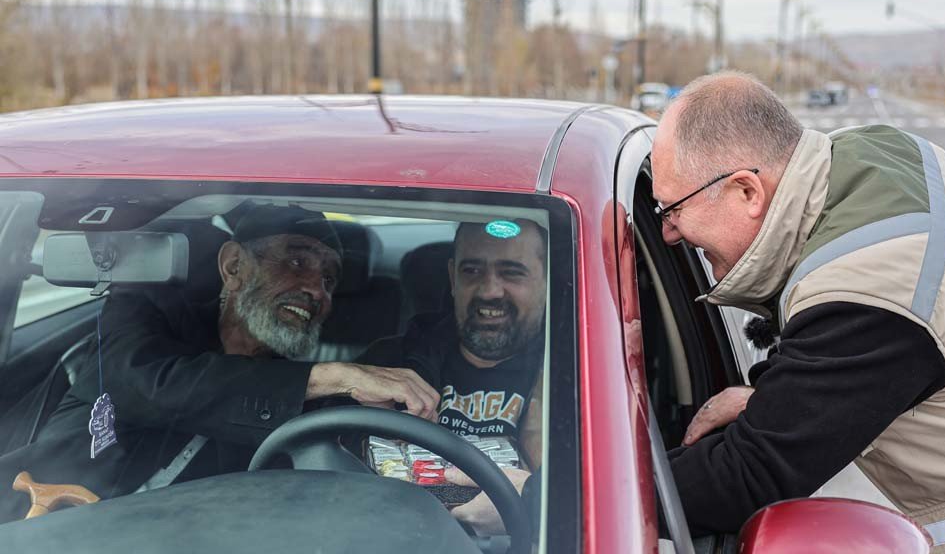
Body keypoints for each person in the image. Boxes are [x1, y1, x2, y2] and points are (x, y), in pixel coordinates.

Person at [651, 71, 945, 554]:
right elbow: (888, 352)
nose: (667, 231)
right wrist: (770, 393)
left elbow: (750, 475)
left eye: (672, 208)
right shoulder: (871, 154)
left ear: (748, 191)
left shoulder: (870, 286)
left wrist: (566, 493)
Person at [0, 201, 439, 523]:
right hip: (39, 525)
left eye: (329, 279)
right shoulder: (145, 311)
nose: (316, 290)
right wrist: (333, 375)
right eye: (297, 260)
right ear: (233, 267)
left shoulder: (311, 405)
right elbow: (141, 385)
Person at [359, 219, 547, 534]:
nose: (490, 291)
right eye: (472, 271)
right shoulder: (387, 363)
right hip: (396, 539)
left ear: (547, 280)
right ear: (452, 277)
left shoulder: (581, 374)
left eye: (512, 272)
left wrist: (536, 500)